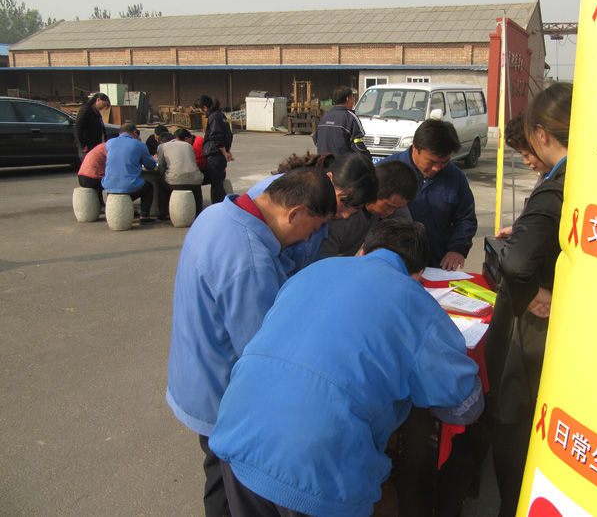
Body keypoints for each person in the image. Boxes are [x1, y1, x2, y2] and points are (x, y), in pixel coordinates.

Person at [209, 219, 484, 517]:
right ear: (418, 274)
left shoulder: (313, 271)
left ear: (363, 251)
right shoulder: (414, 299)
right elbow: (464, 404)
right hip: (316, 468)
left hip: (236, 431)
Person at [166, 168, 337, 517]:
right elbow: (264, 355)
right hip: (222, 393)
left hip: (193, 368)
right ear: (295, 213)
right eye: (314, 227)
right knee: (228, 484)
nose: (311, 237)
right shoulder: (250, 263)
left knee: (217, 471)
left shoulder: (217, 213)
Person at [484, 82, 572, 517]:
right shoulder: (592, 177)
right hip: (563, 329)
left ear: (541, 133)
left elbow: (517, 264)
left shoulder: (556, 187)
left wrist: (531, 291)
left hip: (530, 331)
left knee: (513, 419)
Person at [248, 151, 378, 276]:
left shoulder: (321, 214)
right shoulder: (282, 194)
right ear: (329, 178)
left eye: (355, 209)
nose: (345, 215)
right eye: (344, 203)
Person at [383, 118, 477, 271]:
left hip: (438, 265)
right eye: (431, 162)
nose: (436, 168)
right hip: (393, 264)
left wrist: (457, 249)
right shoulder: (387, 171)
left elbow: (466, 218)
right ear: (415, 148)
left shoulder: (455, 177)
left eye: (444, 162)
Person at [320, 159, 418, 257]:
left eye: (397, 208)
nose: (391, 212)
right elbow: (323, 262)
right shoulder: (339, 216)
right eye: (389, 206)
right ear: (374, 193)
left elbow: (410, 238)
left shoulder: (393, 203)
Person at [496, 113, 551, 238]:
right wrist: (517, 228)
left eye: (527, 155)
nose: (526, 162)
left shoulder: (561, 181)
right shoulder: (544, 176)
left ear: (542, 138)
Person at [102, 122, 157, 225]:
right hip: (129, 186)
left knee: (121, 185)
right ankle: (144, 216)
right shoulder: (139, 145)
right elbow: (150, 165)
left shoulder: (110, 143)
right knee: (149, 187)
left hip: (109, 185)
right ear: (134, 132)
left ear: (120, 133)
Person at [156, 131, 204, 220]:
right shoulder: (188, 145)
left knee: (160, 180)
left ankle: (163, 213)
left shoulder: (162, 147)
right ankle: (198, 212)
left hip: (175, 183)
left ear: (161, 142)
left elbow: (162, 166)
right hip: (195, 180)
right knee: (196, 186)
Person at [313, 85, 370, 159]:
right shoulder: (350, 117)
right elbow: (357, 145)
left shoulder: (324, 117)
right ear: (348, 99)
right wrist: (368, 158)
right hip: (342, 163)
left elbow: (316, 141)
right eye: (352, 98)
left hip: (324, 162)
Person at [198, 95, 234, 204]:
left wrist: (224, 152)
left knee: (217, 184)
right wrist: (227, 151)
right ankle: (219, 205)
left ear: (205, 108)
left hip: (215, 155)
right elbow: (228, 135)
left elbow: (216, 136)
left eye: (200, 109)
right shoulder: (221, 115)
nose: (200, 111)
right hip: (220, 155)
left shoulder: (213, 117)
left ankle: (221, 206)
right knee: (218, 182)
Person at [73, 92, 110, 161]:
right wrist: (82, 144)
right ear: (98, 100)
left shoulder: (96, 112)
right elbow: (78, 128)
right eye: (104, 105)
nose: (104, 107)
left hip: (96, 145)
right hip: (88, 146)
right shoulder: (86, 110)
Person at [77, 142, 107, 210]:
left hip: (81, 177)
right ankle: (112, 206)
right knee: (114, 184)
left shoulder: (100, 147)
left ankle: (100, 204)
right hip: (91, 179)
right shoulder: (109, 148)